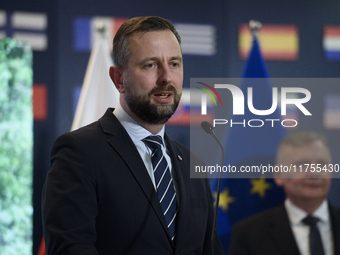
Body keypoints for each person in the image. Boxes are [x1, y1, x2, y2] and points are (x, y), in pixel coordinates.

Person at [42, 16, 224, 255]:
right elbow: (70, 248)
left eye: (174, 64)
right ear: (119, 79)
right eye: (150, 65)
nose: (166, 78)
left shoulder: (192, 164)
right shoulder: (79, 152)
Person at [229, 131, 340, 255]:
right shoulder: (249, 234)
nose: (314, 173)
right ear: (279, 175)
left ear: (331, 171)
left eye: (321, 164)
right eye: (302, 165)